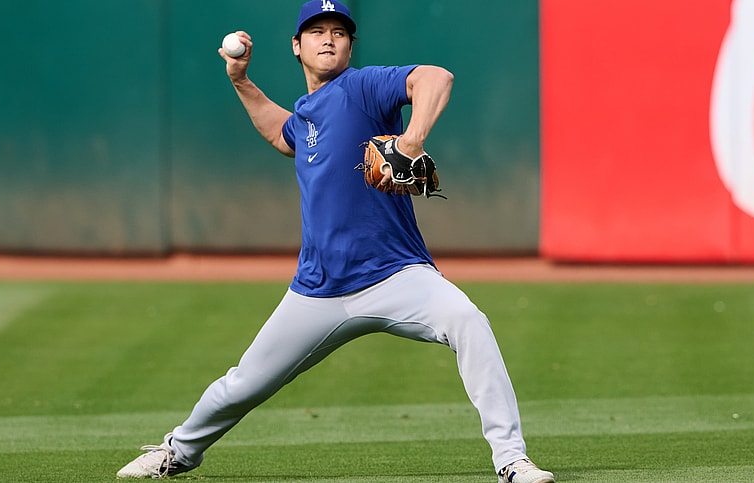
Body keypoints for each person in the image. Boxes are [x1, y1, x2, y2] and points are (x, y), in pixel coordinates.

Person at [116, 1, 554, 482]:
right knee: (243, 384)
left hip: (396, 275)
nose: (329, 38)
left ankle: (511, 459)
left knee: (468, 321)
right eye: (317, 31)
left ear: (350, 45)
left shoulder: (362, 88)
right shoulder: (306, 113)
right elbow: (283, 135)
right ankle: (177, 451)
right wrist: (241, 81)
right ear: (296, 46)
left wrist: (411, 138)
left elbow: (437, 77)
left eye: (339, 32)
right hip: (317, 290)